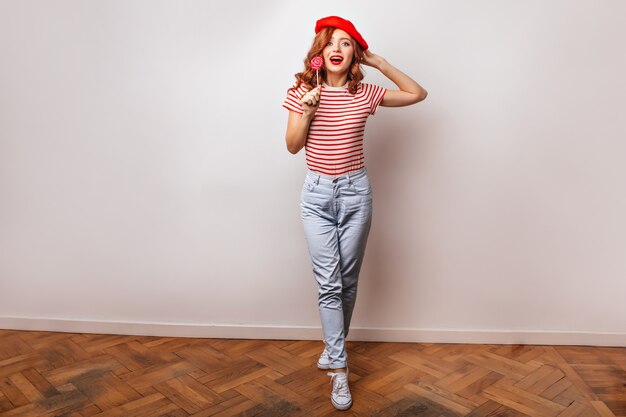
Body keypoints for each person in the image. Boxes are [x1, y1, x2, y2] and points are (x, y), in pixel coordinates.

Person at [282, 16, 427, 411]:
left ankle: (332, 349)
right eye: (330, 42)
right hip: (316, 196)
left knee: (346, 280)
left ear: (354, 54)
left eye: (346, 43)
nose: (337, 48)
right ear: (319, 53)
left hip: (356, 194)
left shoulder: (364, 94)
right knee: (328, 281)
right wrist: (308, 110)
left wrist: (380, 63)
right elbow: (293, 146)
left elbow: (417, 94)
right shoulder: (301, 90)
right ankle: (339, 370)